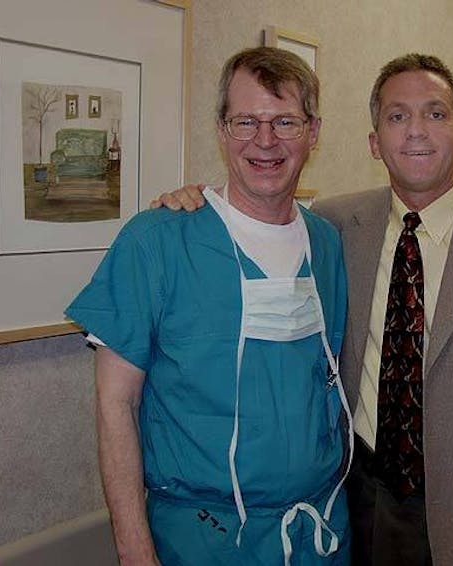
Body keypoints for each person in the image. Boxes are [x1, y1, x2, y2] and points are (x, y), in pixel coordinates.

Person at [155, 53, 453, 566]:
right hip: (355, 495)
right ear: (374, 142)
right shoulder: (336, 225)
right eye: (397, 116)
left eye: (435, 113)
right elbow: (260, 211)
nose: (416, 132)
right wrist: (197, 202)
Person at [66, 47, 352, 566]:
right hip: (202, 539)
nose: (264, 141)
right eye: (246, 121)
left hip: (321, 532)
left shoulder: (327, 245)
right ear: (221, 130)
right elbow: (115, 405)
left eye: (285, 121)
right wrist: (135, 553)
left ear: (313, 132)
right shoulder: (156, 242)